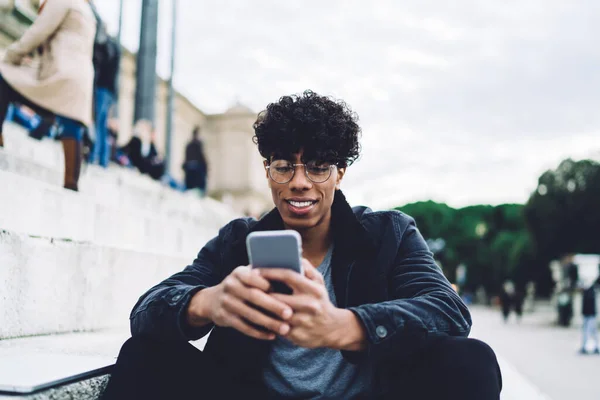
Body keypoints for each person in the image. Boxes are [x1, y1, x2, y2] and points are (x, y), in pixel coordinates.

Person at [103, 91, 502, 400]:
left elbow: (448, 311)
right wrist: (208, 303)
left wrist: (346, 326)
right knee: (142, 354)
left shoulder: (389, 234)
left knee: (472, 361)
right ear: (268, 171)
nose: (299, 182)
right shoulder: (238, 240)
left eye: (317, 166)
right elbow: (145, 312)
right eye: (283, 166)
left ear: (339, 173)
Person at [0, 0, 96, 191]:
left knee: (2, 78)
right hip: (82, 79)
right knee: (71, 124)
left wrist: (10, 57)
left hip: (60, 74)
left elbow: (38, 33)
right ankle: (71, 183)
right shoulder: (88, 11)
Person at [89, 18, 121, 168]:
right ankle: (102, 159)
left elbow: (100, 64)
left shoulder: (106, 45)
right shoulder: (114, 47)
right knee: (101, 124)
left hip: (103, 88)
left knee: (98, 122)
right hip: (109, 91)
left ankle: (95, 155)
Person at [182, 126, 208, 195]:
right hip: (196, 173)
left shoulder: (189, 145)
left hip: (190, 173)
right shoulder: (198, 144)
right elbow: (202, 158)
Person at [580, 285, 599, 355]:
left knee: (587, 331)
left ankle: (585, 347)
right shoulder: (589, 291)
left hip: (590, 315)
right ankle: (596, 347)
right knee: (592, 332)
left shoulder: (590, 291)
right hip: (588, 314)